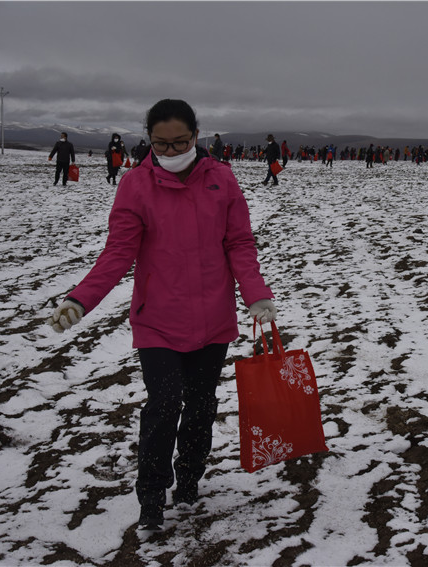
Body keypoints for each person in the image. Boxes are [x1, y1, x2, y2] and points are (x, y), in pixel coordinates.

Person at [46, 99, 277, 530]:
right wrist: (80, 299)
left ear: (196, 137)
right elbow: (118, 252)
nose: (171, 152)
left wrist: (256, 294)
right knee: (164, 404)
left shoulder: (222, 179)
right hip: (157, 319)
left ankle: (190, 476)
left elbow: (239, 243)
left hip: (213, 318)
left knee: (201, 406)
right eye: (161, 144)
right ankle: (151, 494)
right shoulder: (135, 185)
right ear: (148, 140)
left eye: (180, 143)